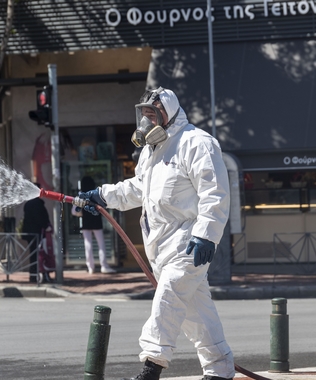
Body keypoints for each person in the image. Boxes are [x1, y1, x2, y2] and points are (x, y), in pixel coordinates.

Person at [79, 87, 234, 380]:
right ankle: (220, 369)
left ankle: (151, 368)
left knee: (167, 299)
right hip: (160, 248)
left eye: (152, 114)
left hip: (189, 242)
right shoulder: (151, 152)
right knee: (195, 313)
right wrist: (102, 195)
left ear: (168, 114)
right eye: (144, 114)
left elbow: (215, 193)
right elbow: (138, 188)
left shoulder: (197, 143)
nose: (146, 120)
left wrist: (206, 235)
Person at [78, 176, 115, 274]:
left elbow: (74, 211)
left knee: (88, 245)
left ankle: (90, 267)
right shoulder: (95, 195)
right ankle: (104, 265)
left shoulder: (81, 196)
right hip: (97, 221)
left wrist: (82, 213)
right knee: (101, 244)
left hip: (86, 222)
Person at [21, 183, 51, 283]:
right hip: (37, 233)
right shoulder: (38, 204)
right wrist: (46, 226)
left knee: (34, 254)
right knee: (39, 254)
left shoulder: (29, 203)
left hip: (30, 233)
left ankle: (33, 275)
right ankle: (38, 274)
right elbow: (40, 219)